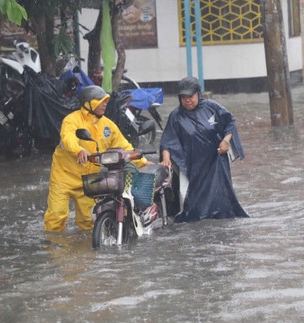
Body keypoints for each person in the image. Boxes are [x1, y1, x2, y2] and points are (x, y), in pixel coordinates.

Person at [44, 85, 149, 232]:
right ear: (88, 103)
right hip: (63, 177)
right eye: (100, 100)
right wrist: (79, 150)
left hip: (89, 179)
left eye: (106, 101)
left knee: (89, 222)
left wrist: (142, 161)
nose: (105, 104)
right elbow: (68, 138)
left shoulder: (108, 125)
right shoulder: (71, 120)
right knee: (56, 216)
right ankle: (52, 248)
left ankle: (87, 251)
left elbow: (124, 147)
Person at [159, 76, 249, 223]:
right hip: (190, 165)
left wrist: (226, 141)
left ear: (198, 94)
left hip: (215, 161)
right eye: (184, 97)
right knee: (190, 204)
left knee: (220, 197)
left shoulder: (211, 107)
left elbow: (230, 121)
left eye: (191, 96)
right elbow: (168, 141)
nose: (188, 100)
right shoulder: (176, 116)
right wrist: (166, 159)